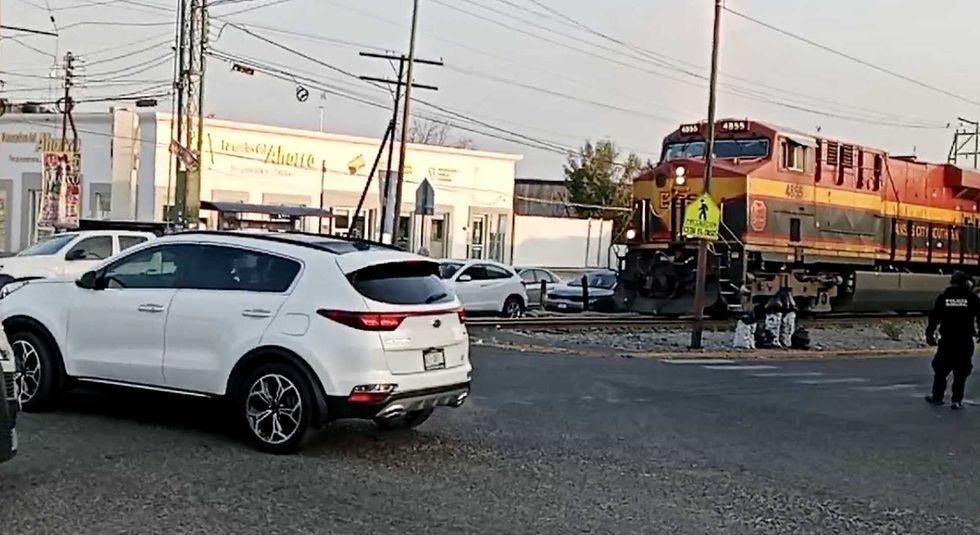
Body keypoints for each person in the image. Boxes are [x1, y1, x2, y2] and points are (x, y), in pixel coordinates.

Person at [925, 271, 980, 410]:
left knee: (941, 370)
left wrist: (929, 334)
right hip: (964, 341)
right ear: (968, 284)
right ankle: (957, 400)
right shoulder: (972, 298)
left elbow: (934, 317)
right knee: (961, 372)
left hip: (947, 341)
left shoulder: (943, 298)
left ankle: (937, 397)